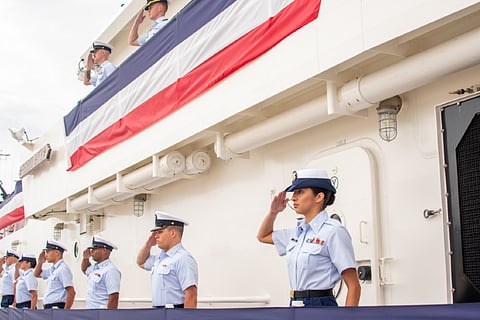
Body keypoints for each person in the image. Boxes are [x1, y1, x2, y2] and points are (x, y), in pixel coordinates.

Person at [257, 169, 361, 307]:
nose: (293, 197)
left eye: (300, 192)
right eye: (294, 193)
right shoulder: (296, 233)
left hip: (320, 305)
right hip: (295, 303)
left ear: (319, 197)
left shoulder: (334, 231)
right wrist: (273, 212)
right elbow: (263, 236)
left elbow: (354, 286)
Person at [137, 211, 198, 308]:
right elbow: (141, 262)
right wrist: (148, 245)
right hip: (159, 311)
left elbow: (191, 295)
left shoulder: (183, 258)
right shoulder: (160, 258)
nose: (155, 236)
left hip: (174, 312)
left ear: (173, 233)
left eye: (160, 232)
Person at [81, 235, 121, 309]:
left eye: (94, 249)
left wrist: (109, 316)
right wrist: (85, 258)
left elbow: (114, 296)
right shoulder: (95, 268)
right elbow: (85, 270)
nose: (91, 252)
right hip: (90, 313)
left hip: (100, 314)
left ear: (104, 251)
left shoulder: (110, 270)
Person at [34, 240, 76, 309]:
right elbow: (36, 274)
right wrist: (40, 262)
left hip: (57, 307)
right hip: (50, 307)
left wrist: (65, 312)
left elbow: (71, 292)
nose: (45, 255)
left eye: (47, 252)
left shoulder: (62, 269)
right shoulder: (53, 269)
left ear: (57, 252)